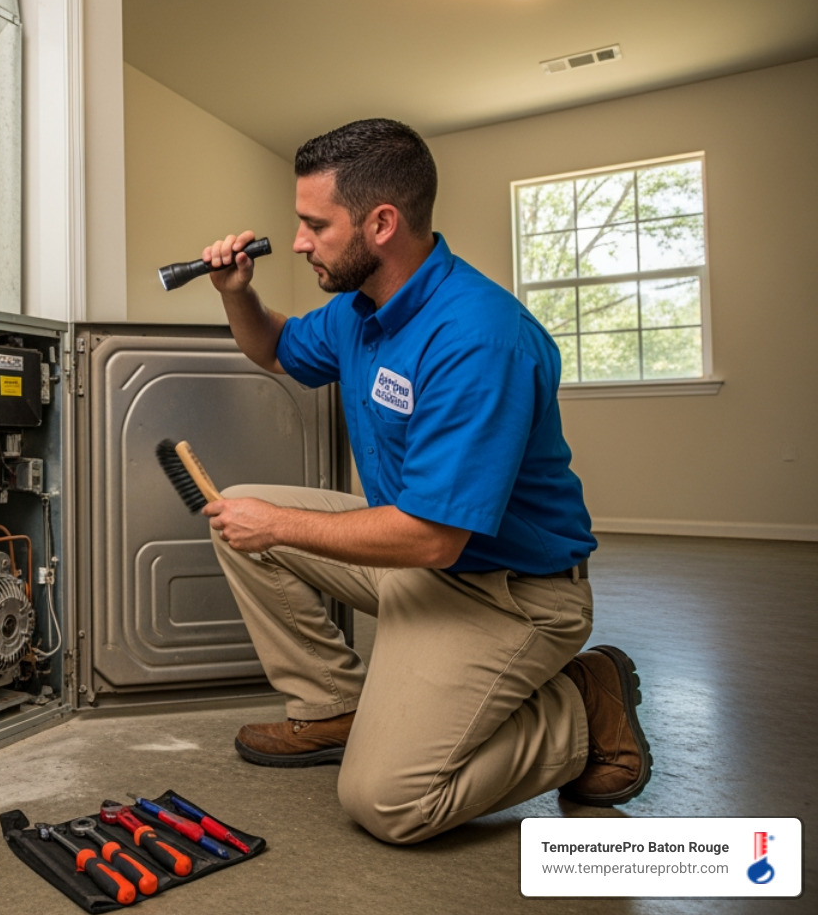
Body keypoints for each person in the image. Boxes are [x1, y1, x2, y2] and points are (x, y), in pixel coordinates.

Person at [200, 118, 651, 845]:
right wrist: (234, 293)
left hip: (510, 592)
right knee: (236, 516)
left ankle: (579, 707)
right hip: (423, 561)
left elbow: (436, 538)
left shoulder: (478, 337)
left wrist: (278, 525)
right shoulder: (360, 311)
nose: (298, 242)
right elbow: (278, 350)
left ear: (381, 224)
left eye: (316, 225)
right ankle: (330, 708)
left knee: (389, 803)